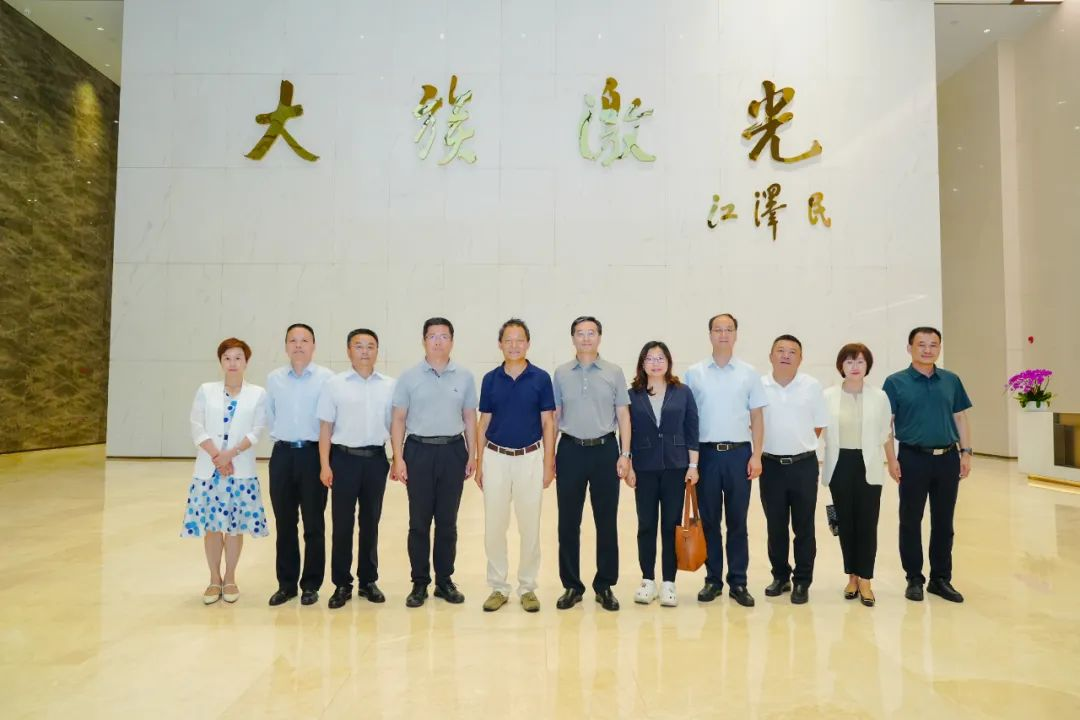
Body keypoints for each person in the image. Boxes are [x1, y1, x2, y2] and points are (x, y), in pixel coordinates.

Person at [391, 318, 478, 608]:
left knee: (447, 522)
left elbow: (470, 418)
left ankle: (444, 580)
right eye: (432, 336)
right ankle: (419, 582)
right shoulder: (409, 377)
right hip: (418, 452)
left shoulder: (464, 377)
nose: (438, 341)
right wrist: (398, 458)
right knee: (419, 522)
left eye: (443, 336)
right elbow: (398, 419)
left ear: (452, 341)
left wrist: (472, 455)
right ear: (424, 341)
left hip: (453, 452)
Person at [883, 327, 973, 603]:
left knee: (944, 521)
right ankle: (914, 578)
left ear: (939, 348)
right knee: (911, 520)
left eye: (933, 344)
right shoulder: (895, 382)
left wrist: (966, 452)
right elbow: (886, 424)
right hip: (913, 458)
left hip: (947, 458)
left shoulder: (951, 380)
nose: (927, 349)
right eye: (921, 344)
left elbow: (960, 417)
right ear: (909, 348)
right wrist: (891, 459)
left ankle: (940, 578)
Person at [684, 313, 766, 608]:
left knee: (737, 522)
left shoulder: (749, 373)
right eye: (717, 329)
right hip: (706, 455)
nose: (723, 334)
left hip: (738, 455)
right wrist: (691, 462)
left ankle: (739, 581)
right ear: (709, 335)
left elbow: (757, 416)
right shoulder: (694, 373)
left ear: (736, 334)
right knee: (709, 521)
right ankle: (713, 580)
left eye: (728, 329)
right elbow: (688, 419)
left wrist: (756, 455)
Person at [475, 319, 556, 613]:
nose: (514, 345)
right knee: (494, 526)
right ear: (500, 344)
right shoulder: (490, 379)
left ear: (528, 344)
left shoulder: (541, 378)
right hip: (495, 457)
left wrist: (548, 463)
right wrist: (479, 463)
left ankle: (527, 587)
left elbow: (548, 423)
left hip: (530, 458)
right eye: (508, 340)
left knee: (530, 526)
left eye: (519, 340)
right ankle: (498, 586)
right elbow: (483, 422)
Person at [552, 316, 632, 612]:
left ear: (599, 337)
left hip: (605, 450)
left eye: (591, 333)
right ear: (572, 338)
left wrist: (625, 454)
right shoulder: (561, 373)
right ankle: (572, 585)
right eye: (580, 333)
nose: (586, 338)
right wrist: (549, 458)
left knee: (606, 521)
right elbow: (554, 417)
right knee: (568, 522)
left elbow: (623, 415)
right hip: (570, 450)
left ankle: (605, 585)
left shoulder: (614, 372)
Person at [182, 338, 269, 605]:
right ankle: (213, 579)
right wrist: (217, 456)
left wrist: (230, 455)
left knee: (234, 527)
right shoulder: (206, 390)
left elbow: (256, 430)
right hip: (209, 470)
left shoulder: (258, 394)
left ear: (246, 362)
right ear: (220, 362)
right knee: (211, 527)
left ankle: (230, 577)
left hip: (240, 470)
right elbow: (196, 426)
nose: (233, 363)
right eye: (227, 358)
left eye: (238, 358)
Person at [317, 329, 395, 609]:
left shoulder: (390, 385)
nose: (365, 351)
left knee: (371, 521)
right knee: (342, 524)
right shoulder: (334, 384)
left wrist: (397, 458)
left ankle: (368, 580)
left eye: (370, 346)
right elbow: (325, 427)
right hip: (343, 460)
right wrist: (325, 465)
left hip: (376, 459)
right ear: (348, 350)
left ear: (377, 351)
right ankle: (341, 583)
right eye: (358, 346)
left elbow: (396, 426)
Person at [820, 343, 896, 607]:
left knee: (867, 523)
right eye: (850, 361)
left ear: (868, 366)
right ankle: (851, 576)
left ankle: (865, 579)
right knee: (845, 523)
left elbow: (886, 433)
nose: (855, 366)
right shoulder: (827, 395)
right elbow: (817, 429)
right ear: (841, 365)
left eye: (861, 362)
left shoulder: (880, 397)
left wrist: (893, 461)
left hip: (869, 464)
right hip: (840, 464)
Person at [265, 323, 334, 607]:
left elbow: (329, 420)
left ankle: (311, 585)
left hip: (313, 454)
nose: (298, 345)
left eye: (304, 340)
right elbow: (270, 415)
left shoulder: (327, 379)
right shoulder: (274, 379)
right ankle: (286, 584)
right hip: (282, 454)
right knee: (285, 523)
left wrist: (325, 461)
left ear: (313, 346)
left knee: (314, 523)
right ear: (285, 346)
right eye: (293, 340)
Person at [626, 341, 699, 607]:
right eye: (650, 358)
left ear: (668, 362)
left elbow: (692, 429)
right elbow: (626, 432)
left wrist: (693, 466)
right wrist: (629, 464)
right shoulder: (632, 394)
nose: (655, 363)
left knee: (671, 525)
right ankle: (648, 580)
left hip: (675, 467)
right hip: (643, 468)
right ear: (642, 363)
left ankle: (669, 582)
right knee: (646, 524)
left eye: (660, 358)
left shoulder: (682, 392)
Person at [758, 335, 828, 605]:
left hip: (803, 466)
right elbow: (753, 423)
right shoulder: (759, 386)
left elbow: (819, 425)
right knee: (776, 526)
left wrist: (799, 445)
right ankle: (780, 576)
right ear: (771, 355)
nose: (786, 355)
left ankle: (802, 580)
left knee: (804, 526)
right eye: (780, 350)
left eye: (792, 352)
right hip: (770, 466)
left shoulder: (811, 386)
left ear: (801, 358)